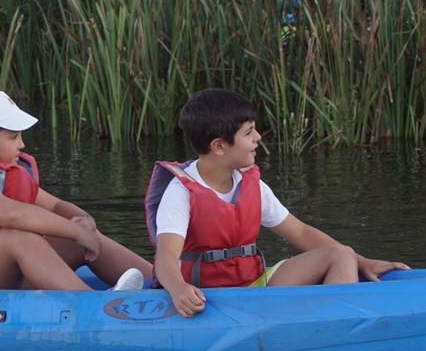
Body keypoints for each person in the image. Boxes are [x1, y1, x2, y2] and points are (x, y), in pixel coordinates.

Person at [146, 89, 408, 319]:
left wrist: (361, 261)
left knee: (341, 254)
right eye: (249, 132)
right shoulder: (180, 192)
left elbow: (301, 232)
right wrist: (179, 290)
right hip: (208, 297)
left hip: (253, 286)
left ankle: (339, 325)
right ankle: (337, 328)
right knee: (343, 255)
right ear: (219, 146)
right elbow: (166, 256)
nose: (258, 137)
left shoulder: (252, 185)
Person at [0, 90, 148, 291]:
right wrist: (76, 231)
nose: (22, 144)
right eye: (14, 137)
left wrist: (84, 222)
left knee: (79, 232)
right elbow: (14, 215)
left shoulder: (2, 173)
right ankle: (95, 306)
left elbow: (54, 205)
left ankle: (158, 283)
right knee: (18, 236)